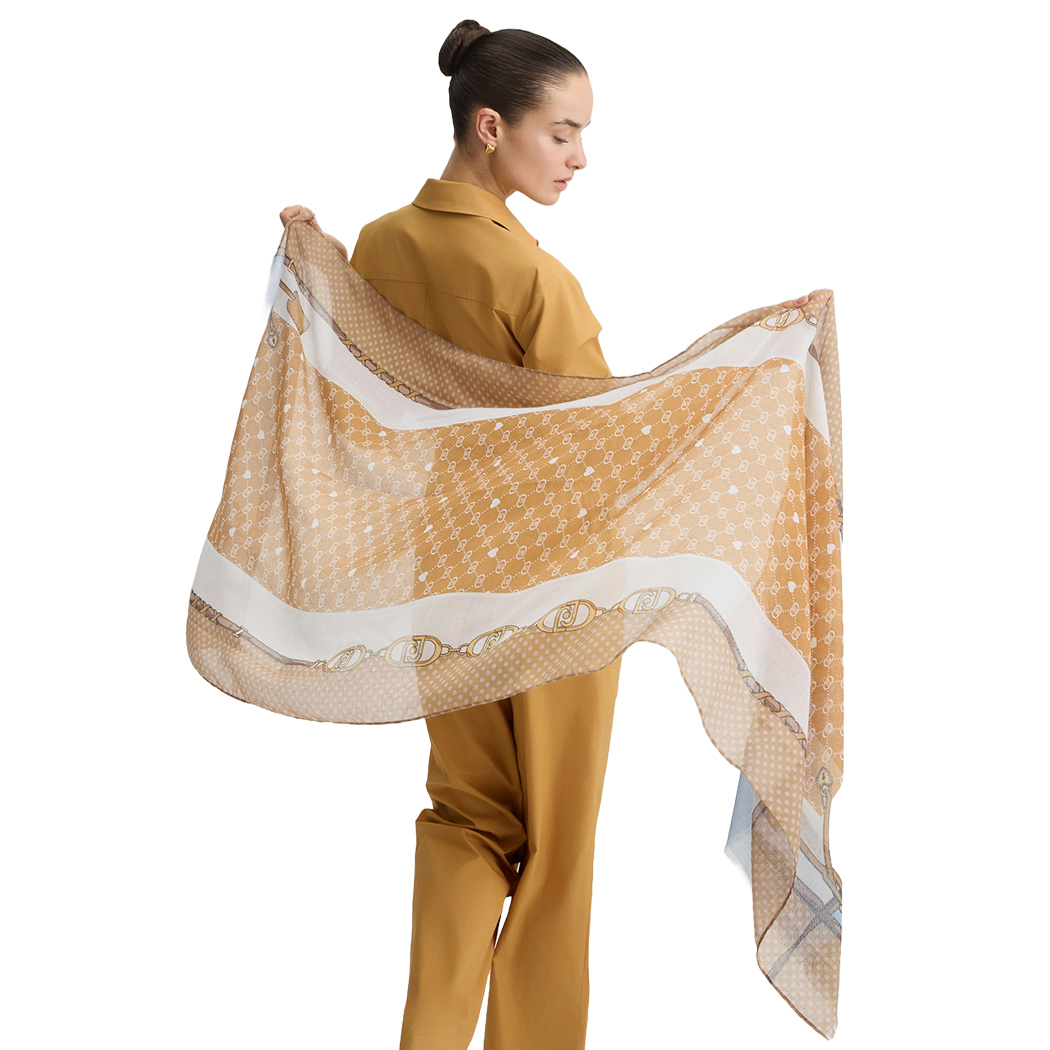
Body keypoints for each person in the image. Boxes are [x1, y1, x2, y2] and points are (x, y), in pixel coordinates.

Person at [280, 20, 809, 1050]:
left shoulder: (381, 245)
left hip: (439, 575)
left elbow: (364, 376)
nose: (579, 158)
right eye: (563, 133)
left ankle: (430, 1036)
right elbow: (602, 447)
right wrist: (753, 365)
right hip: (559, 588)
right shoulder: (535, 282)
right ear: (492, 127)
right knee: (559, 846)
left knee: (468, 816)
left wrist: (321, 262)